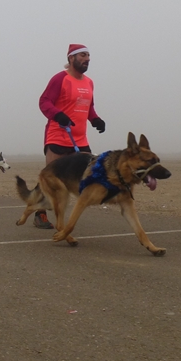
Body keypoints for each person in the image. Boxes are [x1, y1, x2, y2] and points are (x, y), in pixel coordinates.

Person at [33, 43, 106, 228]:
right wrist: (57, 114)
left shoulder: (89, 82)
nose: (87, 59)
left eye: (88, 56)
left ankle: (70, 213)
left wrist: (95, 119)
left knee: (85, 178)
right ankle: (39, 212)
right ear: (71, 58)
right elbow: (44, 101)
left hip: (80, 141)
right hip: (58, 136)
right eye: (82, 55)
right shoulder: (60, 79)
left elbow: (89, 106)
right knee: (51, 178)